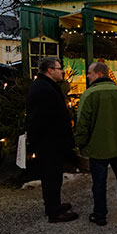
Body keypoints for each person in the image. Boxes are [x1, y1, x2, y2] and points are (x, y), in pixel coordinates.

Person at [73, 61, 117, 226]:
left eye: (89, 72)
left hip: (98, 148)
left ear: (99, 74)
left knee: (99, 182)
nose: (87, 75)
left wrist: (80, 144)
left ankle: (100, 214)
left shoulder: (89, 95)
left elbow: (82, 124)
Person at [26, 57, 80, 223]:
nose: (62, 71)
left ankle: (54, 205)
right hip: (49, 143)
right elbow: (41, 119)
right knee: (51, 177)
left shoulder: (45, 86)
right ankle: (54, 211)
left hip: (51, 142)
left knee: (54, 176)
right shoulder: (43, 89)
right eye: (59, 68)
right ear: (50, 70)